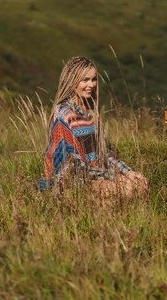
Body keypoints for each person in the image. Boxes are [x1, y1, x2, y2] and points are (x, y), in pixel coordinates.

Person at [43, 56, 148, 199]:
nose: (91, 85)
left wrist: (128, 172)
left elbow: (104, 154)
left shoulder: (91, 113)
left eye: (93, 79)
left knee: (140, 183)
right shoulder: (64, 114)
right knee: (126, 189)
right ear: (72, 81)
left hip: (95, 175)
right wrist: (112, 177)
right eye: (85, 80)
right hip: (72, 182)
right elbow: (71, 165)